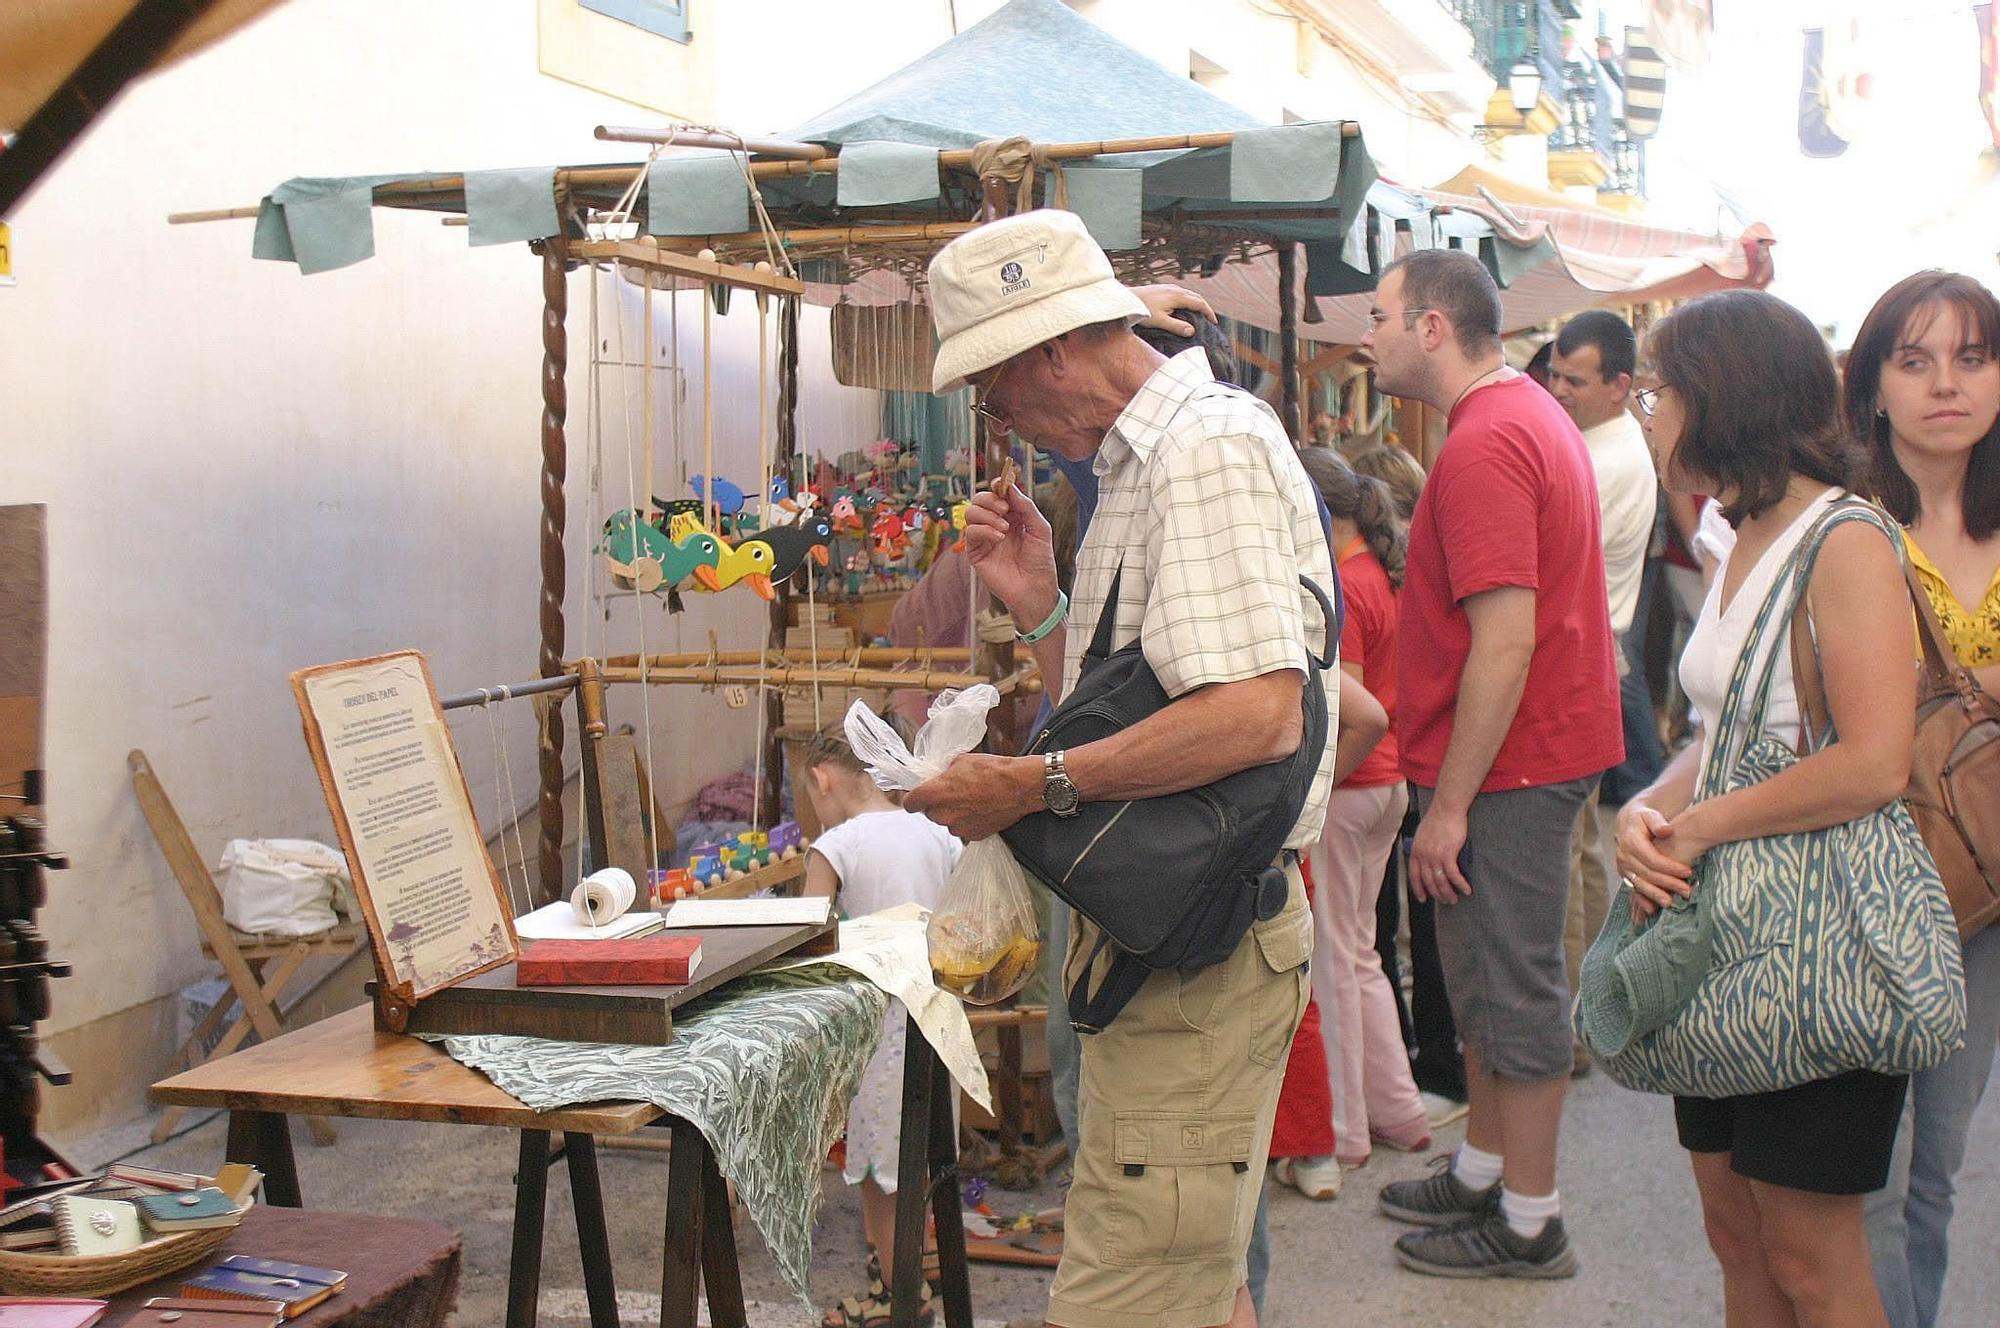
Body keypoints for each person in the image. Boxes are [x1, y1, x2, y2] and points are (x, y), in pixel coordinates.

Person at [907, 208, 1335, 1328]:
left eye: (995, 390)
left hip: (1198, 937)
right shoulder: (1148, 461)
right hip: (1175, 923)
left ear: (1048, 348)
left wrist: (1028, 787)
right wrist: (1043, 602)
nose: (1000, 418)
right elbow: (1147, 700)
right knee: (1191, 1272)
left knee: (1130, 1292)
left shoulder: (1201, 450)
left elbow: (1253, 714)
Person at [1616, 289, 1917, 1327]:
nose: (1644, 409)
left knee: (1809, 1253)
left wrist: (1693, 824)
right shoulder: (1734, 530)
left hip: (1814, 938)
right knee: (1734, 1230)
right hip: (1729, 931)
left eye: (1656, 389)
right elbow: (1725, 731)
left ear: (1722, 395)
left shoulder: (1842, 540)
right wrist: (1646, 809)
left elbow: (1875, 761)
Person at [1362, 248, 1622, 1279]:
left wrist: (1449, 806)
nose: (1365, 334)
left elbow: (1502, 639)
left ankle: (1528, 1215)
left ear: (1431, 326)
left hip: (1511, 764)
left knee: (1510, 986)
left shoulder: (1484, 441)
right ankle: (1483, 1171)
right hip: (1519, 755)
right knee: (1480, 978)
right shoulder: (1515, 417)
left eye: (1380, 314)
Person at [1850, 271, 2000, 1328]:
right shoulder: (1841, 527)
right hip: (1867, 870)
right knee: (1874, 1173)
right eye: (1912, 359)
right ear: (1870, 387)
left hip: (1988, 887)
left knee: (1937, 1165)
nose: (1943, 383)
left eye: (1969, 356)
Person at [1291, 446, 1430, 1185]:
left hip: (1352, 789)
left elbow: (1355, 710)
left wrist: (1313, 793)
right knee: (1362, 953)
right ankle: (1398, 1110)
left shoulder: (1344, 587)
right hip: (1390, 786)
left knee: (1335, 963)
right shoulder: (1383, 575)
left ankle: (1345, 1129)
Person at [799, 725, 964, 1328]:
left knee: (879, 1169)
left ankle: (901, 1302)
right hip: (938, 1021)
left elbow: (808, 939)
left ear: (822, 778)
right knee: (920, 1162)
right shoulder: (936, 831)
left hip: (874, 1032)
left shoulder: (838, 845)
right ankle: (913, 1284)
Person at [1549, 310, 1665, 1075]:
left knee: (1562, 854)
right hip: (1599, 657)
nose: (1558, 391)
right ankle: (1587, 1012)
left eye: (1574, 381)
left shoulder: (1605, 457)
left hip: (1581, 658)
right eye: (1554, 375)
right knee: (1581, 851)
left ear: (1621, 387)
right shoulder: (1601, 444)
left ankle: (1570, 1024)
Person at [1349, 442, 1471, 1128]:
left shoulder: (1377, 579)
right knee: (1415, 925)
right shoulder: (1417, 572)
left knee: (1394, 927)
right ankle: (1424, 1068)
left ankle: (1422, 1072)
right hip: (1420, 761)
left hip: (1400, 763)